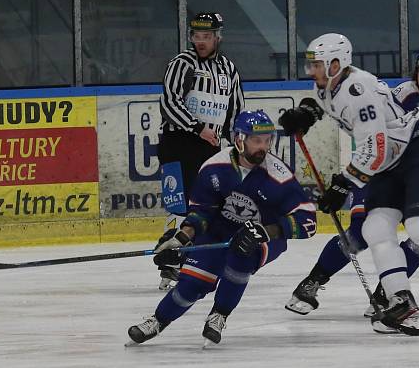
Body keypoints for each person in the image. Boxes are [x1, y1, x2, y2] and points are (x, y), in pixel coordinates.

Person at [278, 34, 419, 336]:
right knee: (373, 229)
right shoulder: (329, 84)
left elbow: (375, 148)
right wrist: (307, 113)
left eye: (318, 65)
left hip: (416, 151)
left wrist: (343, 184)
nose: (312, 71)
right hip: (387, 163)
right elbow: (328, 104)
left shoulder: (359, 91)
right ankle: (403, 304)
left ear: (337, 64)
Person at [127, 111, 317, 347]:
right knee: (192, 284)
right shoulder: (214, 168)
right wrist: (182, 238)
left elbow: (308, 221)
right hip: (220, 231)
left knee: (242, 254)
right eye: (257, 140)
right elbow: (201, 213)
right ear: (239, 139)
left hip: (266, 236)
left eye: (268, 140)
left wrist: (268, 231)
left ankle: (219, 315)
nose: (264, 147)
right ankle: (157, 321)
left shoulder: (278, 175)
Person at [156, 12, 245, 289]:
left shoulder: (228, 69)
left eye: (207, 37)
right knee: (180, 204)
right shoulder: (182, 64)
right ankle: (171, 261)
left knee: (210, 203)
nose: (201, 41)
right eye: (197, 36)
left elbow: (235, 109)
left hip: (212, 146)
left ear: (218, 37)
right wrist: (197, 128)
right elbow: (169, 102)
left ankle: (197, 258)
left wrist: (237, 141)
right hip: (179, 143)